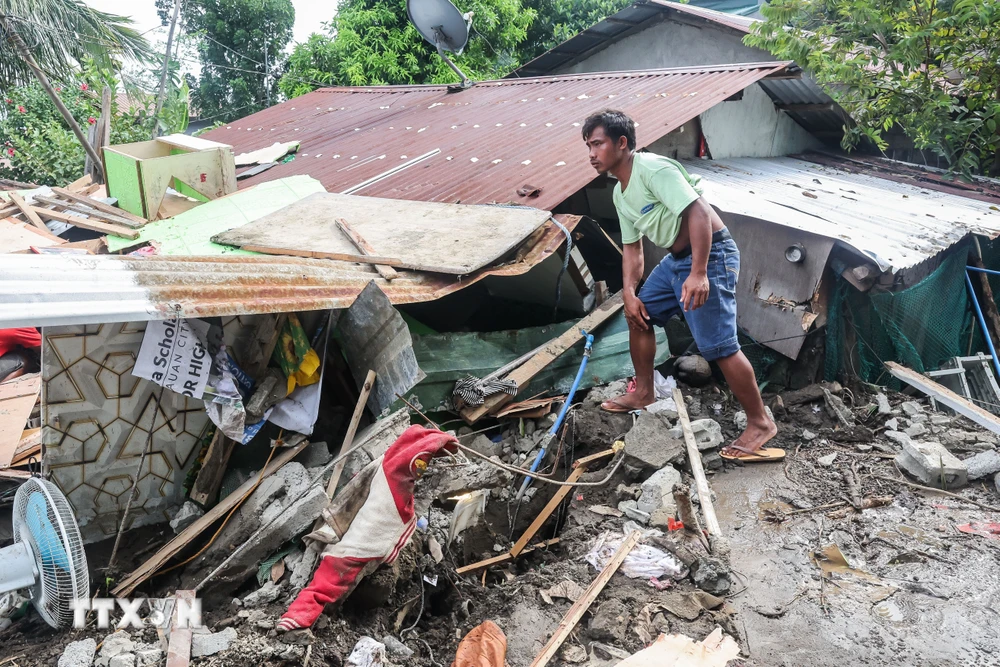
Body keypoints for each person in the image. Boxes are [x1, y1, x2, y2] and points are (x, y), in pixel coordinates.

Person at [582, 109, 777, 458]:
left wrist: (699, 273)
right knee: (638, 315)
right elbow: (632, 250)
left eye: (597, 144)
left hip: (711, 254)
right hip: (675, 261)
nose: (592, 154)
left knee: (718, 346)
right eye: (588, 146)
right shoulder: (619, 194)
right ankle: (644, 392)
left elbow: (699, 213)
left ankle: (760, 422)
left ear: (622, 143)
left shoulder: (652, 169)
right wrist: (628, 293)